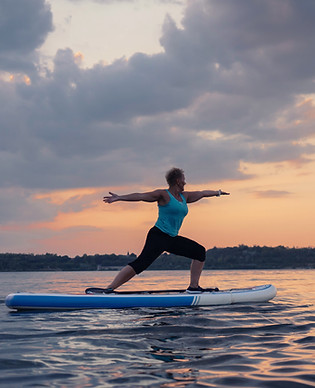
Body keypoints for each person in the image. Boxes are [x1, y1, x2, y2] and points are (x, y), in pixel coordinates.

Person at [102, 168, 229, 293]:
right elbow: (141, 196)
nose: (185, 182)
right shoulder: (163, 195)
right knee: (141, 264)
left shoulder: (185, 197)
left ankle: (193, 287)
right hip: (158, 236)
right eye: (184, 180)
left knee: (199, 252)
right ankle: (110, 288)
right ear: (178, 181)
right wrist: (119, 198)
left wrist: (218, 193)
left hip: (172, 238)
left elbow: (202, 193)